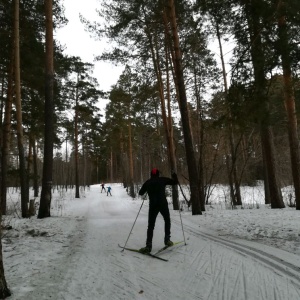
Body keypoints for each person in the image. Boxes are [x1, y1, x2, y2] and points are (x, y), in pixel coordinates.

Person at [138, 168, 178, 254]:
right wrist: (175, 176)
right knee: (167, 220)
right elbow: (175, 182)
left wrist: (147, 190)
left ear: (151, 174)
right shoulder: (162, 180)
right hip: (163, 204)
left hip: (153, 206)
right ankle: (167, 239)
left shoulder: (148, 182)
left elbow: (140, 193)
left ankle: (148, 246)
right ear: (158, 174)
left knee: (151, 226)